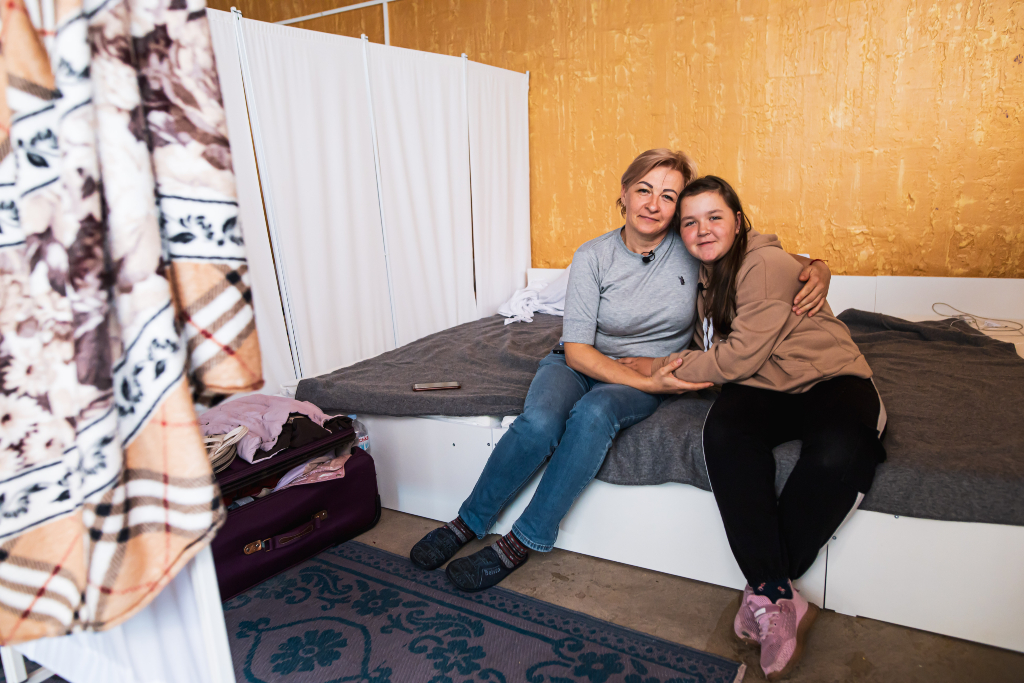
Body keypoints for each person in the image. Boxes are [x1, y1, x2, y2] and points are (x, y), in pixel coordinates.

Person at [408, 150, 833, 593]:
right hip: (583, 362)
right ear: (624, 196)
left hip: (651, 371)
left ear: (678, 208)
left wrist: (819, 267)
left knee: (593, 415)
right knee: (538, 422)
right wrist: (645, 381)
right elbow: (575, 350)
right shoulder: (593, 256)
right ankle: (469, 521)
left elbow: (765, 257)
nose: (653, 204)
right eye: (644, 190)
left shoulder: (693, 248)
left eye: (668, 196)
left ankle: (523, 540)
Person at [629, 176, 886, 681]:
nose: (702, 230)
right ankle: (781, 596)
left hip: (827, 379)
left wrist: (661, 369)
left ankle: (767, 591)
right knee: (723, 435)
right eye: (690, 222)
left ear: (740, 221)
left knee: (841, 452)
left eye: (714, 217)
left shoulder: (762, 264)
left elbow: (735, 357)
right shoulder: (706, 276)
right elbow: (731, 358)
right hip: (761, 386)